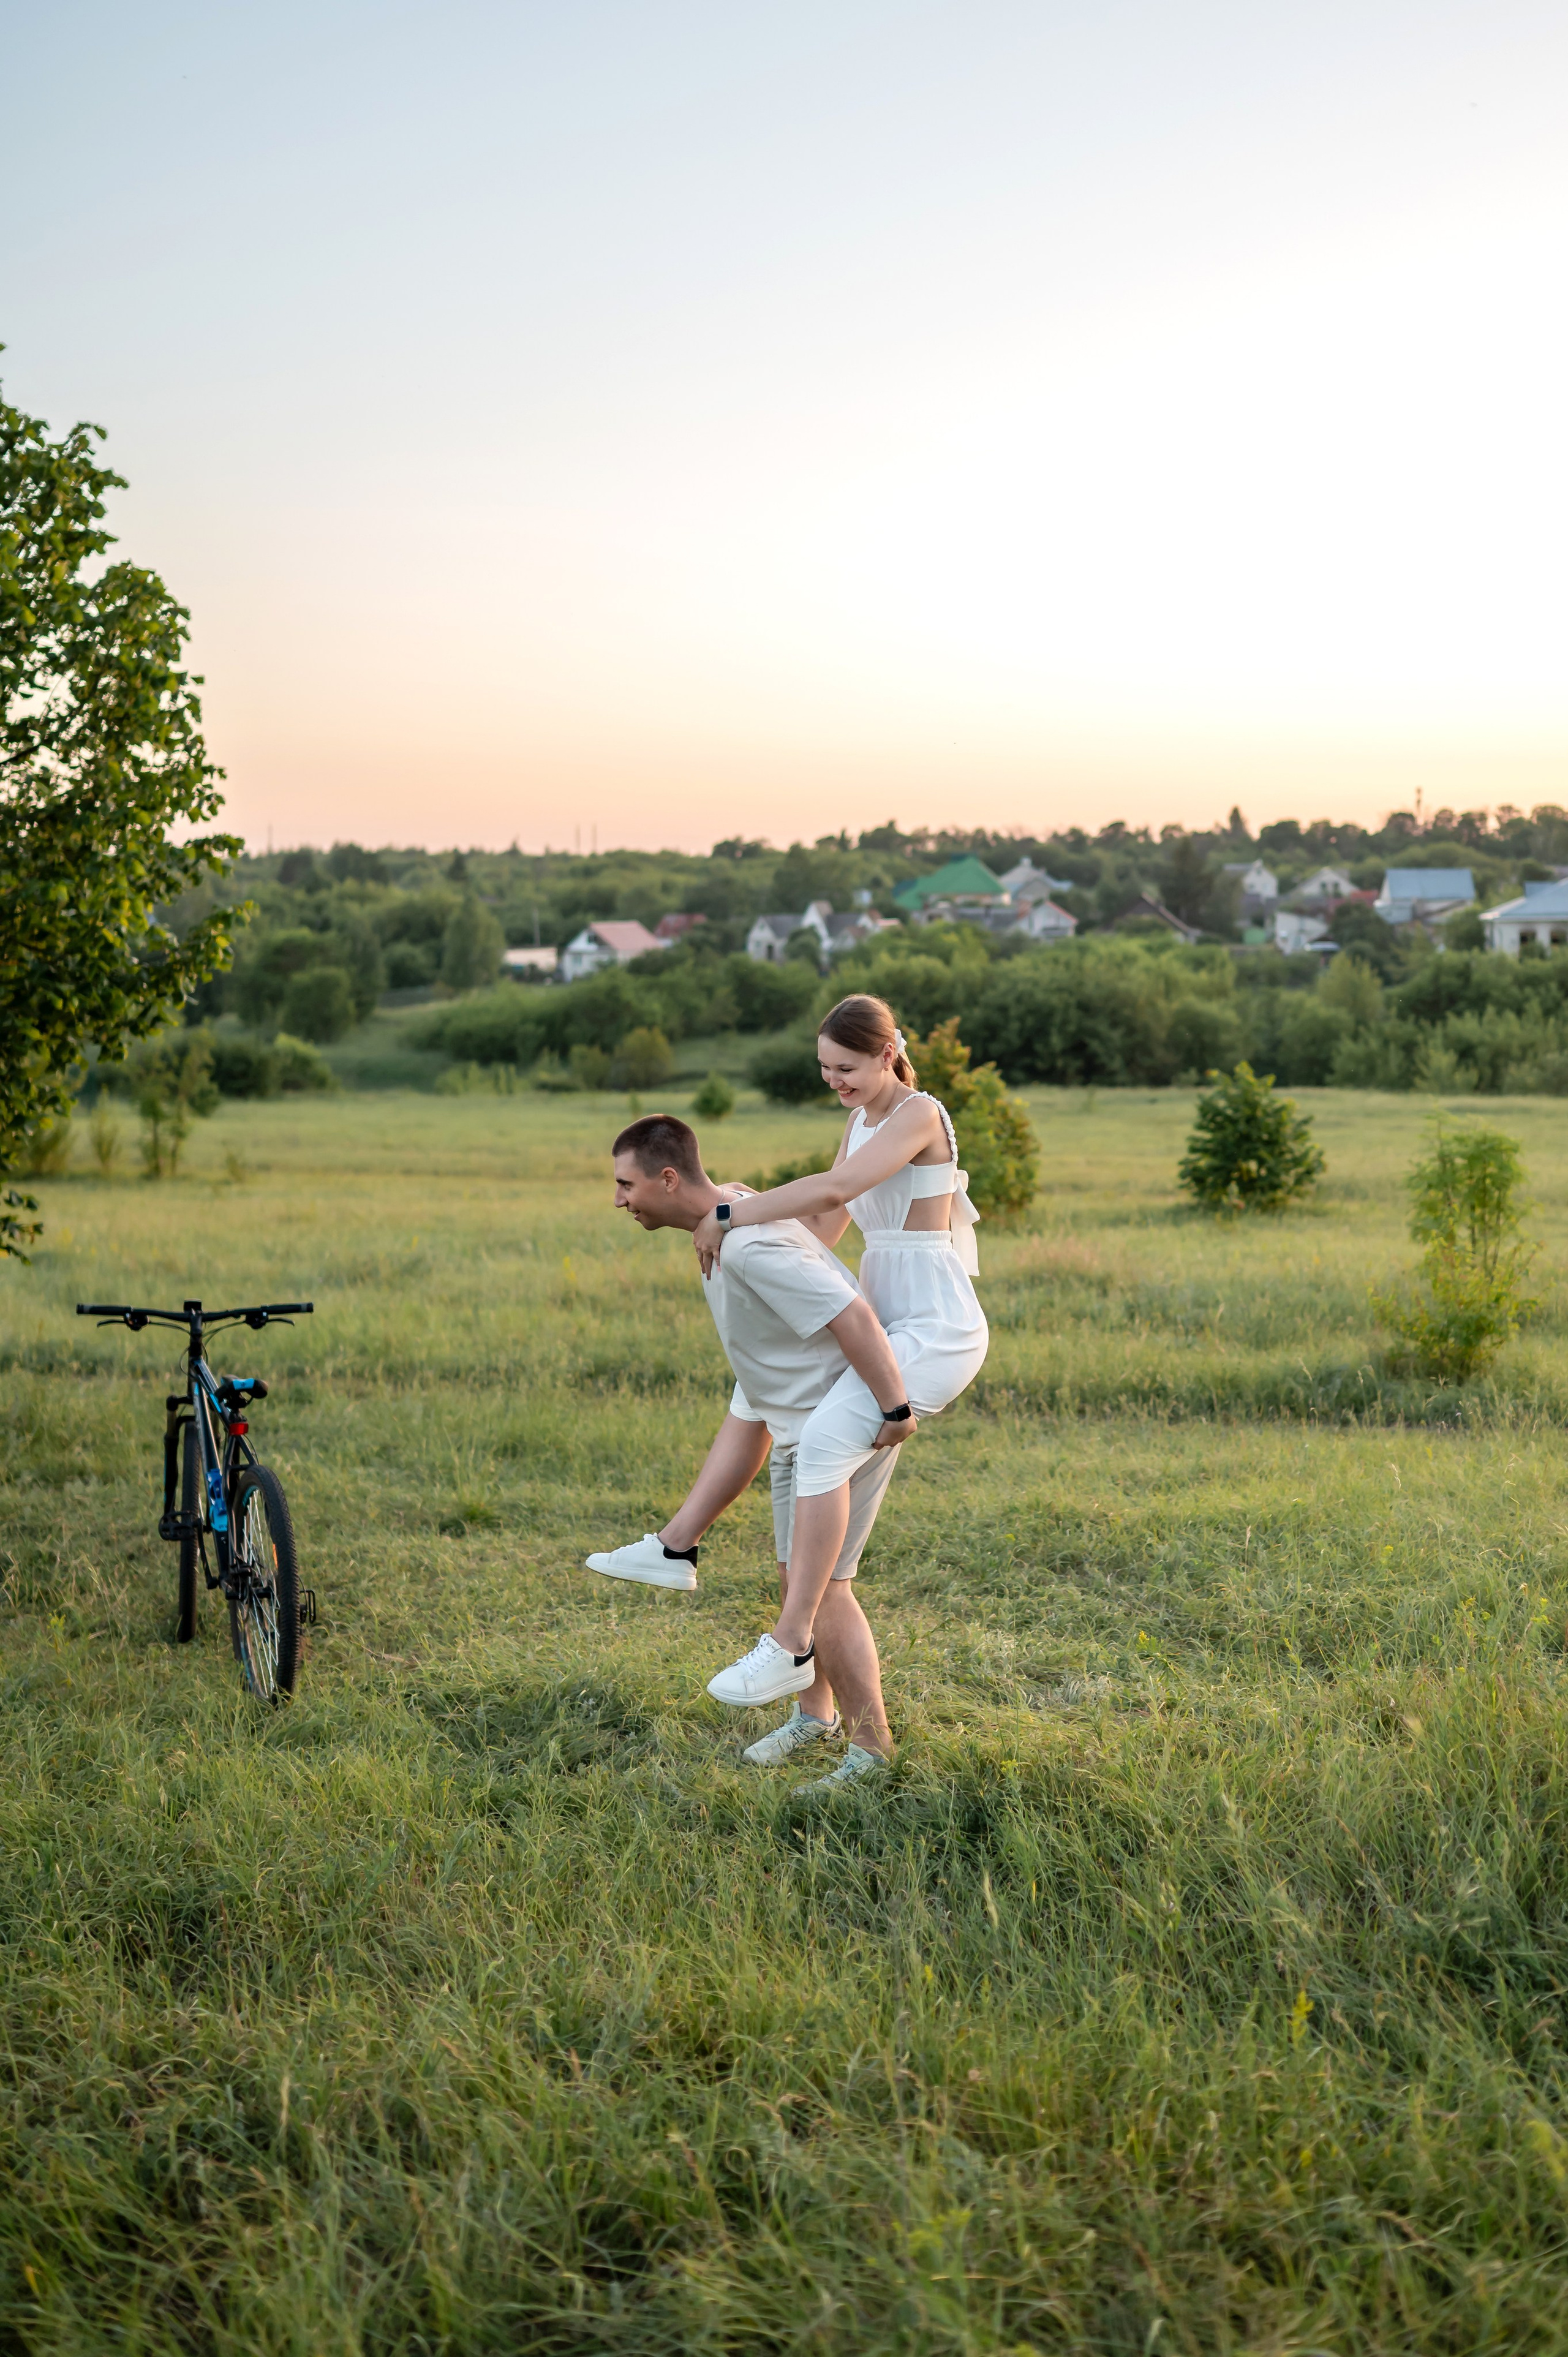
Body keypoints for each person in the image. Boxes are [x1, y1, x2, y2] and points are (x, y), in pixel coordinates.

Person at [589, 1113, 918, 1786]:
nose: (618, 1199)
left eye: (626, 1184)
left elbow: (850, 1312)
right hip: (794, 1423)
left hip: (837, 1428)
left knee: (824, 1591)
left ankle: (872, 1751)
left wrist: (893, 1407)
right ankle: (814, 1716)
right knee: (794, 1578)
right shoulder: (729, 1215)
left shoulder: (745, 1243)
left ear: (668, 1177)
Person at [689, 992, 989, 1700]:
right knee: (779, 1427)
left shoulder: (919, 1110)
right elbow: (828, 1220)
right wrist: (748, 1234)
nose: (835, 1082)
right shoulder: (860, 1119)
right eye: (825, 1068)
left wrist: (729, 1211)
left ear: (888, 1053)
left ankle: (790, 1641)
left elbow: (844, 1183)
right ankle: (812, 1710)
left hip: (935, 1324)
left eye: (846, 1066)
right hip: (883, 1321)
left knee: (822, 1441)